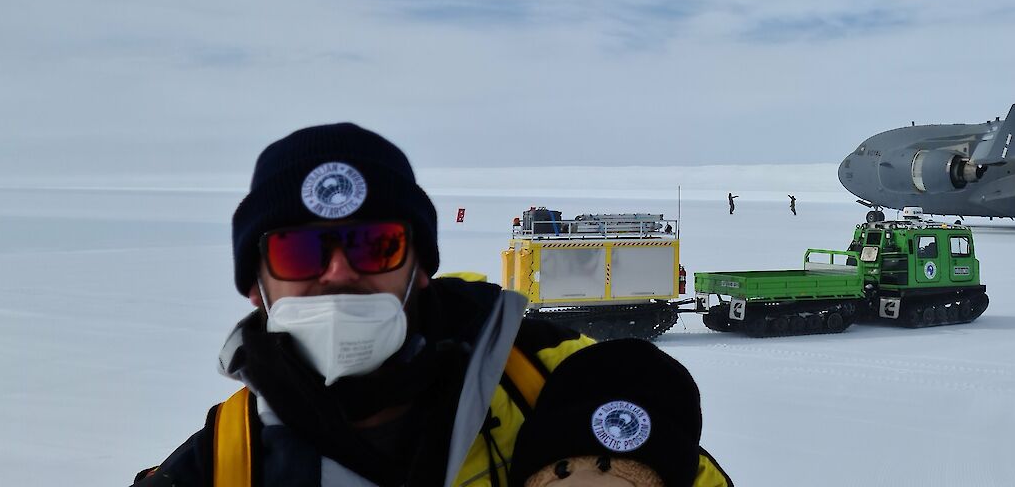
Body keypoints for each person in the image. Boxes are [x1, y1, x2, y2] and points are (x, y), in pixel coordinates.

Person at [132, 123, 731, 487]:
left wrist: (636, 471)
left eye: (375, 244)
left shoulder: (547, 381)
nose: (339, 272)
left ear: (420, 269)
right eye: (298, 250)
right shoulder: (224, 466)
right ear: (254, 285)